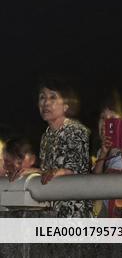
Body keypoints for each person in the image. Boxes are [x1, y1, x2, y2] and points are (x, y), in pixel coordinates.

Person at [37, 77, 92, 218]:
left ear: (66, 106)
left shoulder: (76, 130)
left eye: (53, 97)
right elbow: (48, 171)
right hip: (53, 212)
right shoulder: (46, 136)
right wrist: (32, 171)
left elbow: (78, 167)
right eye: (42, 97)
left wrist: (59, 171)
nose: (46, 103)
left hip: (74, 213)